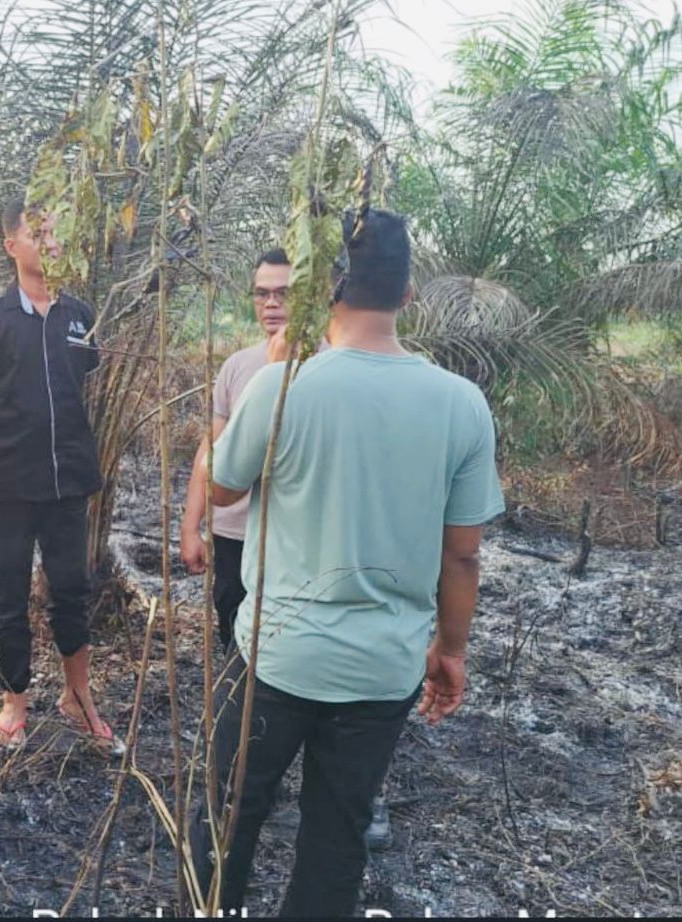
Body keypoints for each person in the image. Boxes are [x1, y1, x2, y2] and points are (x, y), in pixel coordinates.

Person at [187, 208, 505, 916]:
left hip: (276, 655)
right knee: (337, 838)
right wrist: (449, 651)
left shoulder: (281, 385)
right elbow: (461, 555)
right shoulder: (461, 404)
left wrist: (261, 389)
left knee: (226, 821)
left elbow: (219, 491)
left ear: (320, 290)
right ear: (408, 294)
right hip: (383, 667)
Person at [0, 196, 122, 756]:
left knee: (71, 591)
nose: (50, 242)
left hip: (68, 479)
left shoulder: (81, 316)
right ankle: (14, 701)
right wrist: (5, 445)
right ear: (11, 246)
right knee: (10, 595)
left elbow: (83, 386)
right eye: (37, 233)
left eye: (57, 233)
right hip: (3, 485)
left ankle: (77, 698)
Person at [180, 248, 302, 650]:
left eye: (283, 294)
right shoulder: (236, 366)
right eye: (262, 294)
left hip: (296, 536)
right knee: (232, 627)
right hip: (233, 530)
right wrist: (191, 525)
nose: (271, 304)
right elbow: (211, 447)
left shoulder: (328, 363)